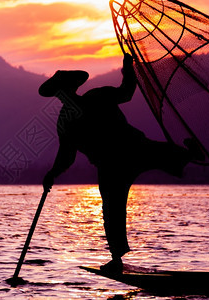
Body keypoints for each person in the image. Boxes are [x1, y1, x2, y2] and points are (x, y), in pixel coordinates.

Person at [39, 53, 198, 273]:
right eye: (59, 93)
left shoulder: (97, 96)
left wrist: (128, 68)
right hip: (109, 165)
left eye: (63, 90)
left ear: (71, 88)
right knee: (112, 210)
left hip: (130, 148)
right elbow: (67, 155)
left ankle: (189, 155)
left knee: (162, 154)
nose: (63, 95)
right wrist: (53, 173)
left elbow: (126, 92)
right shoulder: (65, 121)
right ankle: (116, 258)